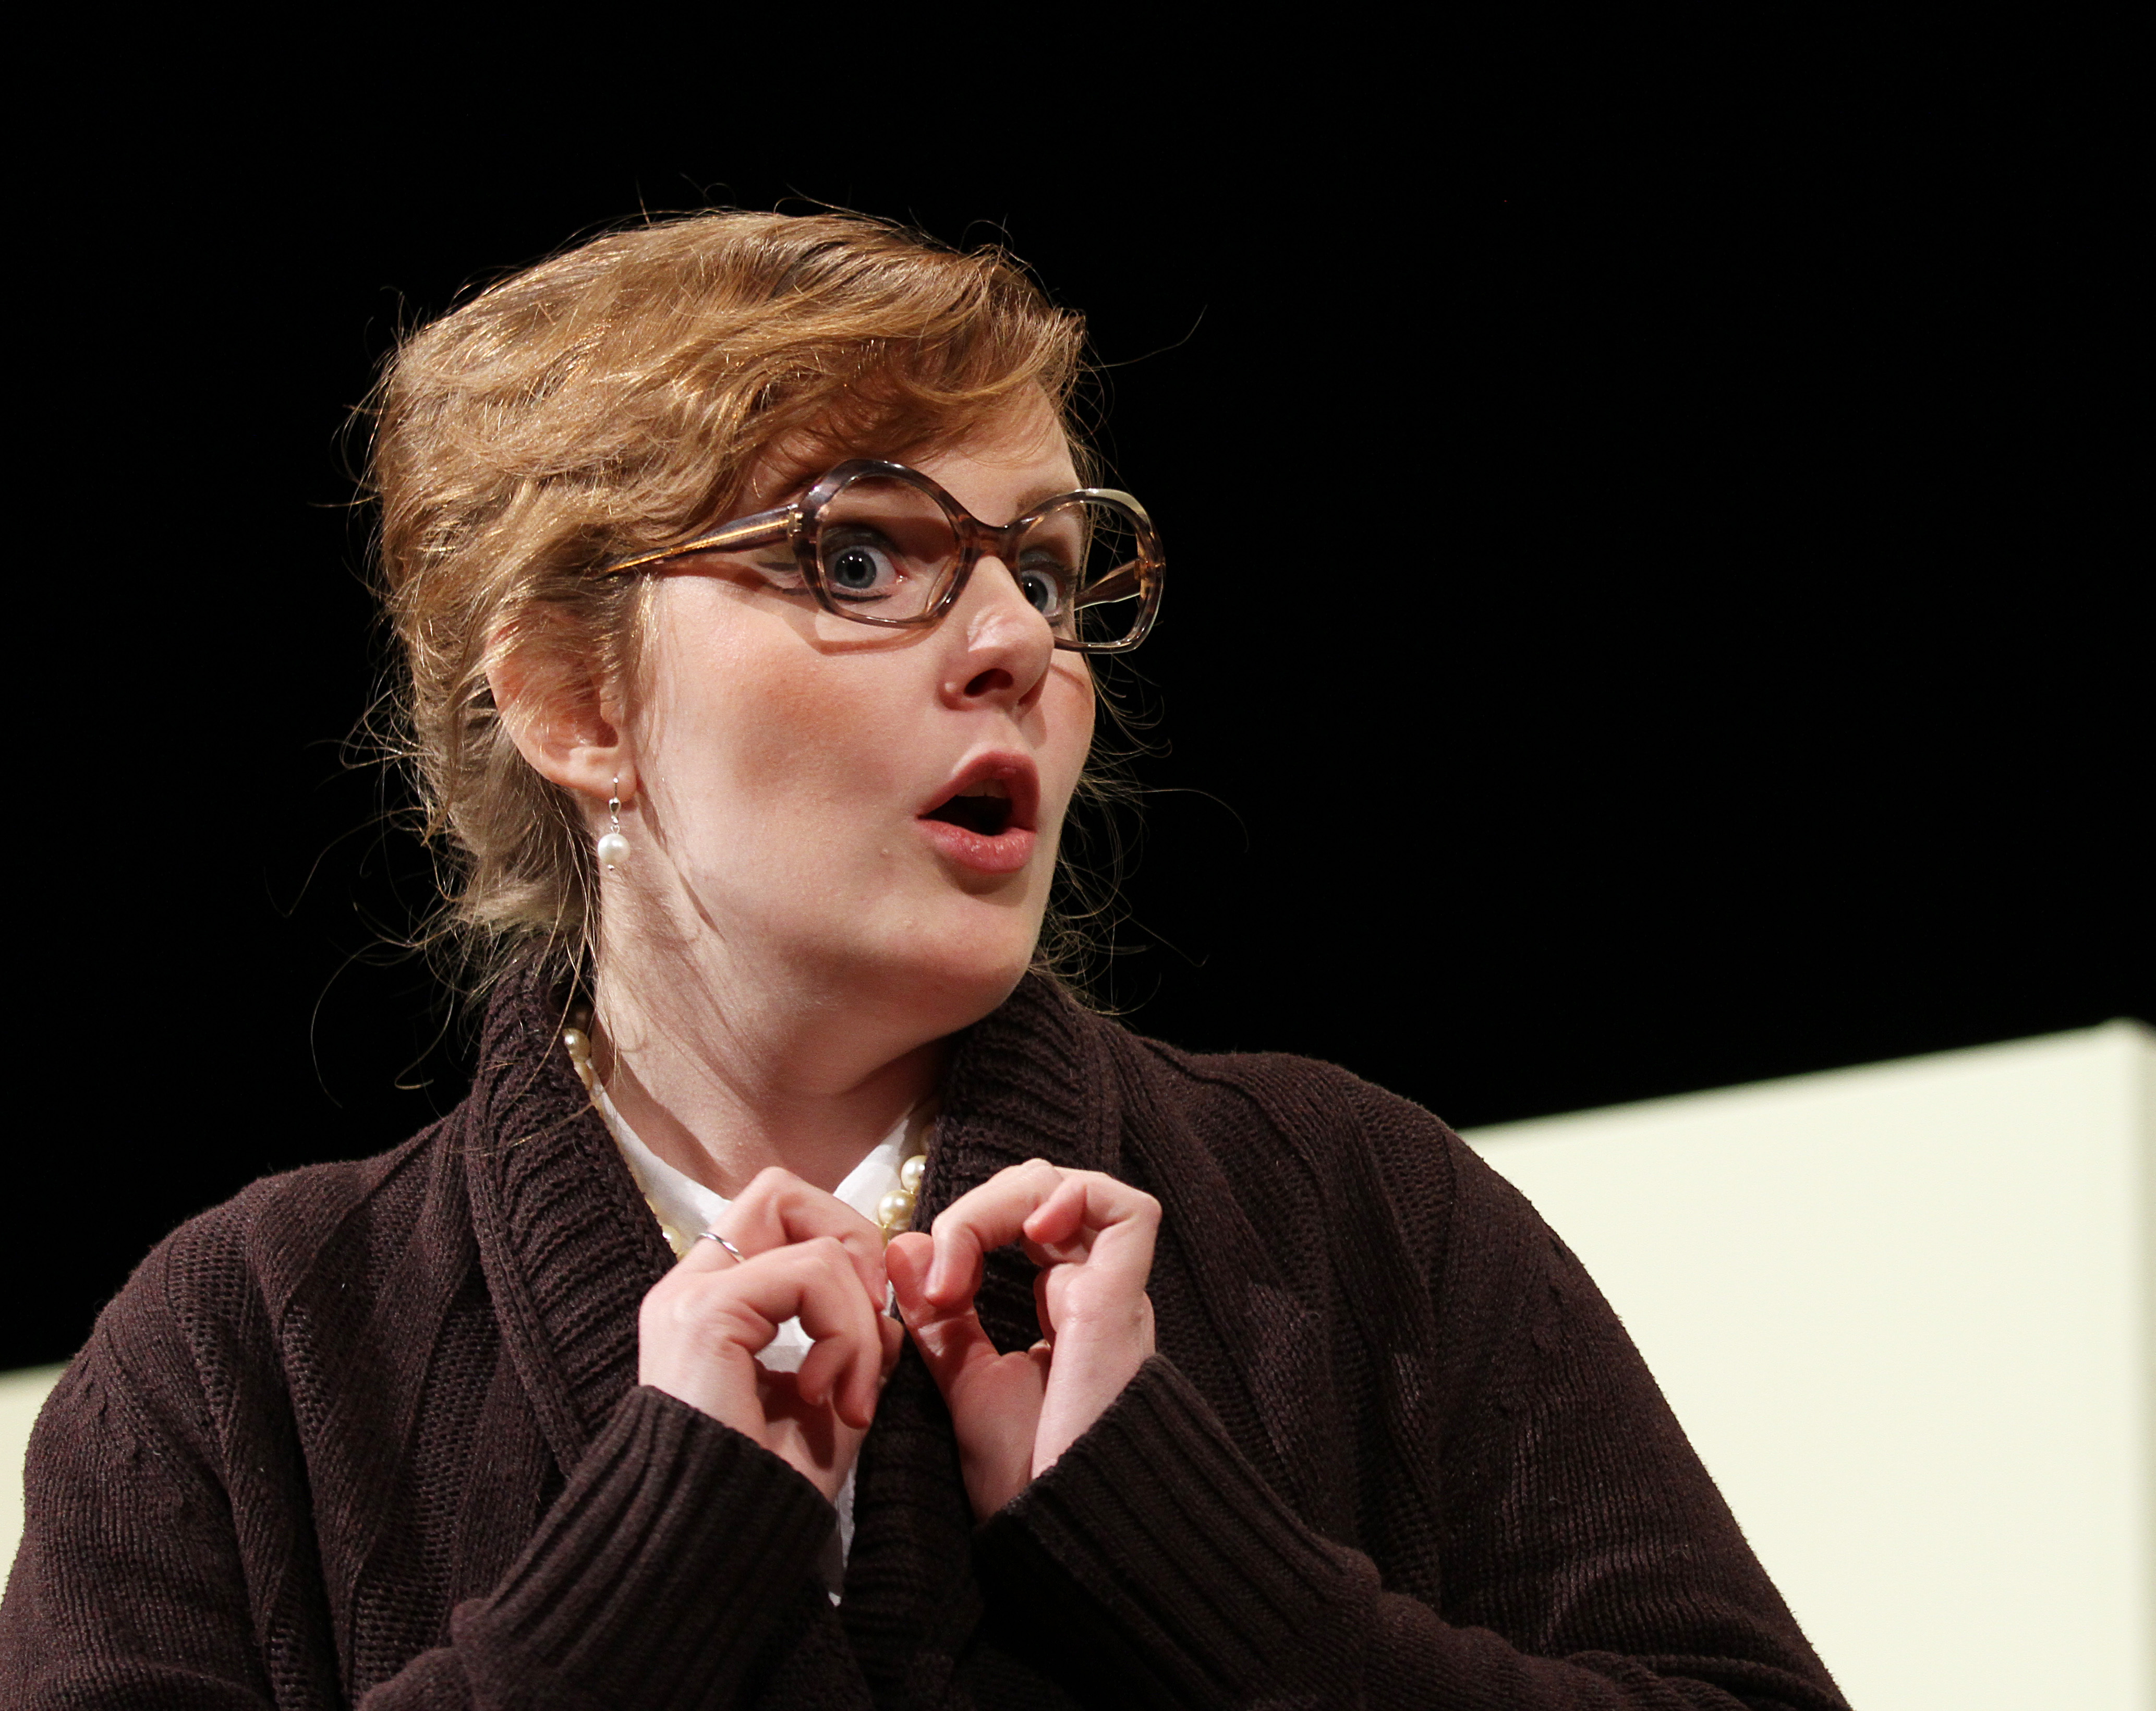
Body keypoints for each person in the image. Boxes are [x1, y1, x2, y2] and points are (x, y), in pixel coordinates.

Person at [0, 210, 1848, 1708]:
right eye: (863, 559)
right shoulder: (242, 1350)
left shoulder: (1357, 1214)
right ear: (574, 699)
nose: (1017, 646)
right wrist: (651, 1578)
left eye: (1045, 570)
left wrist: (1196, 1559)